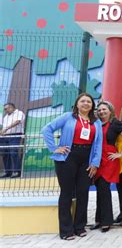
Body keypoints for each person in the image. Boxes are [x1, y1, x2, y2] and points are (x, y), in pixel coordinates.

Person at [42, 93, 103, 240]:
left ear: (92, 105)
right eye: (82, 101)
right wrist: (54, 148)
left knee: (83, 193)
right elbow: (47, 129)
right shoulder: (68, 116)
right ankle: (66, 230)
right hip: (67, 157)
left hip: (86, 159)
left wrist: (95, 162)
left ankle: (79, 227)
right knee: (67, 193)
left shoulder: (96, 122)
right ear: (77, 104)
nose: (86, 103)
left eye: (89, 101)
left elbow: (99, 143)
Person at [91, 101, 122, 233]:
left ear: (110, 111)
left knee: (104, 188)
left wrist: (121, 153)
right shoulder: (96, 123)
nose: (101, 112)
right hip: (97, 158)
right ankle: (98, 220)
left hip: (109, 159)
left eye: (104, 109)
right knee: (99, 189)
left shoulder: (115, 123)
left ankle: (106, 221)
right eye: (99, 110)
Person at [1, 103, 25, 178]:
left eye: (6, 109)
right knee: (5, 153)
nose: (5, 110)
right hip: (5, 136)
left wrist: (6, 128)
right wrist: (2, 132)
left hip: (15, 135)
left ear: (11, 107)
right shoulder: (5, 117)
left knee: (13, 152)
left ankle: (17, 171)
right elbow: (3, 127)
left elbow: (17, 122)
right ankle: (8, 172)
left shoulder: (19, 113)